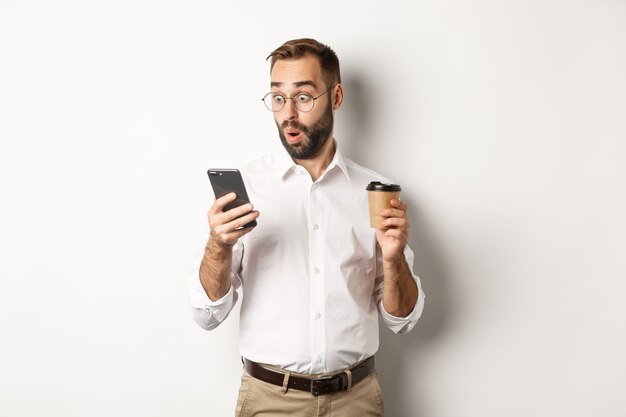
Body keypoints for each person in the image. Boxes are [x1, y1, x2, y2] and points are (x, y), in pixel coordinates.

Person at [188, 38, 425, 417]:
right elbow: (206, 315)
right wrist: (219, 245)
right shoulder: (247, 190)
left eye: (303, 97)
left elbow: (404, 319)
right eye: (278, 98)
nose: (288, 114)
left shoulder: (374, 193)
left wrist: (394, 259)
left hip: (356, 402)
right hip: (269, 402)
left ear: (336, 96)